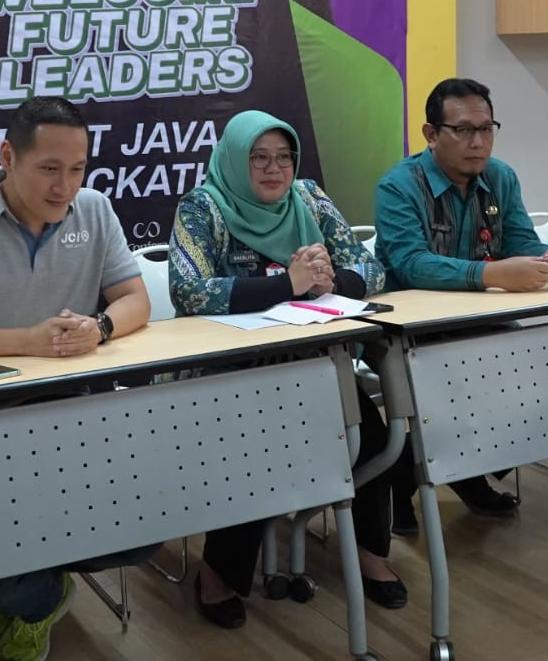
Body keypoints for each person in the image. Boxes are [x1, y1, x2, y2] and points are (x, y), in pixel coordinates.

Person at [0, 96, 156, 661]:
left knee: (146, 530)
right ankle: (39, 597)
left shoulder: (94, 211)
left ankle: (27, 580)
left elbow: (135, 300)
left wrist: (100, 327)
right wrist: (28, 340)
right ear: (8, 157)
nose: (64, 187)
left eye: (77, 169)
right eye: (49, 168)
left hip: (73, 411)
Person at [169, 111, 406, 625]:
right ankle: (218, 572)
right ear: (235, 159)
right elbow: (188, 292)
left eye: (284, 157)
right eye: (259, 157)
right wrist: (287, 285)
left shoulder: (309, 198)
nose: (274, 169)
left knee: (371, 437)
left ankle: (369, 553)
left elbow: (371, 267)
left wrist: (334, 282)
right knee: (255, 452)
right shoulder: (203, 207)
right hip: (232, 373)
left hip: (312, 362)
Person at [374, 78, 548, 532]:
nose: (478, 142)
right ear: (431, 134)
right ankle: (400, 484)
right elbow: (410, 264)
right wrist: (490, 275)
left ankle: (463, 471)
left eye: (486, 129)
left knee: (537, 384)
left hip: (477, 321)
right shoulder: (398, 185)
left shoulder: (500, 177)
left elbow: (520, 241)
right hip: (407, 329)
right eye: (463, 130)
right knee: (461, 389)